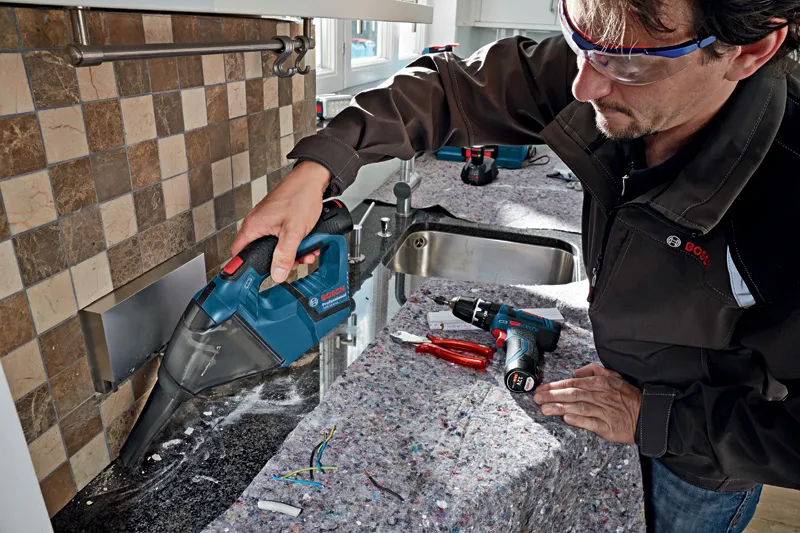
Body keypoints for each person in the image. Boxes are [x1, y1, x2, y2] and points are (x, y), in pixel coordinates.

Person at [232, 0, 800, 530]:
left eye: (628, 67)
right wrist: (319, 167)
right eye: (580, 39)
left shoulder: (786, 202)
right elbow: (451, 91)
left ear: (750, 52)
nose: (582, 85)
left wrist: (655, 420)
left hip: (698, 463)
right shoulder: (615, 57)